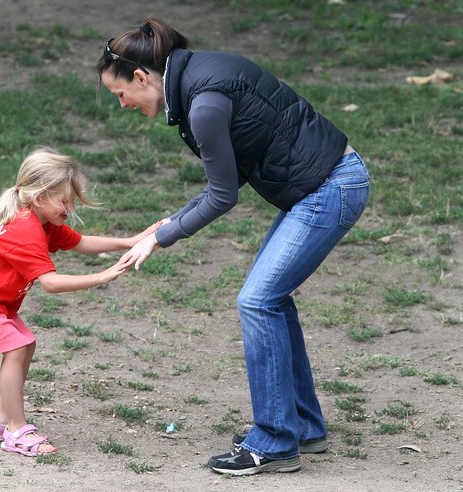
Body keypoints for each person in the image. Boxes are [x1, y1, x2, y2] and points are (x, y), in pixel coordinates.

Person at [97, 17, 370, 476]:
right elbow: (228, 174)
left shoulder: (202, 104)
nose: (123, 104)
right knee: (271, 301)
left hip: (329, 189)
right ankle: (303, 425)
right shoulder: (201, 75)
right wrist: (170, 221)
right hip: (321, 184)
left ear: (141, 77)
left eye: (120, 94)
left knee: (258, 301)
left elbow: (224, 196)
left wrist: (162, 239)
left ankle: (275, 442)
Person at [0, 147, 158, 457]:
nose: (70, 207)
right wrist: (103, 276)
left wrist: (130, 241)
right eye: (64, 201)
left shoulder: (42, 222)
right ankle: (16, 431)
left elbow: (80, 242)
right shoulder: (24, 229)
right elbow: (51, 283)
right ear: (39, 198)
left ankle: (2, 420)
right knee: (18, 346)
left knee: (25, 343)